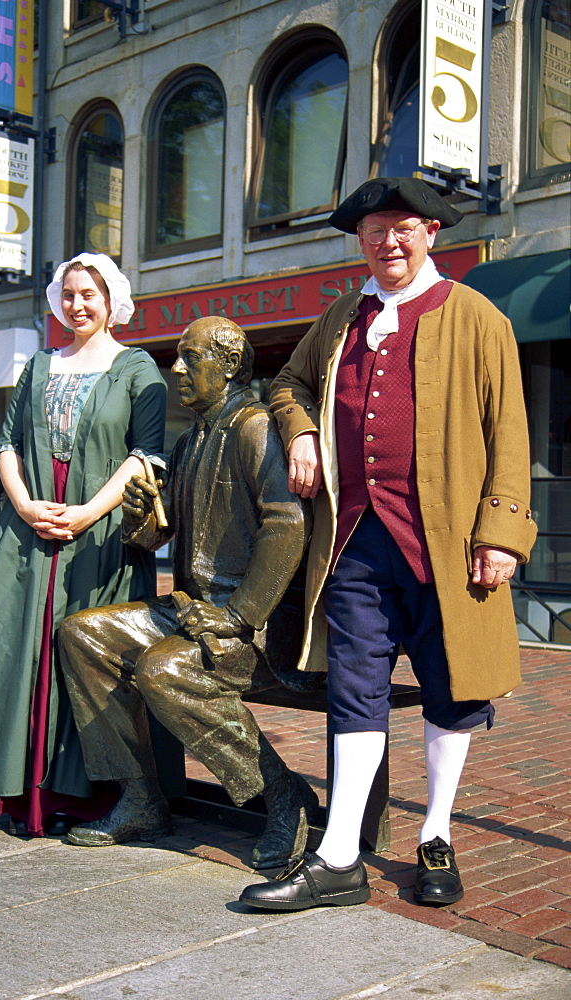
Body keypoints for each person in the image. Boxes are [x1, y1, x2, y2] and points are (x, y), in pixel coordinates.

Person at [239, 177, 537, 912]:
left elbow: (509, 432)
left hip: (450, 544)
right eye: (374, 231)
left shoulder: (475, 315)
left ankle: (434, 834)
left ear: (432, 233)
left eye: (403, 228)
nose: (387, 242)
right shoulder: (344, 313)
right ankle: (339, 855)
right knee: (353, 694)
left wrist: (500, 532)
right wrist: (300, 430)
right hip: (353, 546)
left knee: (451, 691)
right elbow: (286, 381)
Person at [57, 316, 317, 870]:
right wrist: (143, 518)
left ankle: (282, 793)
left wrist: (240, 614)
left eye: (189, 357)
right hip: (191, 611)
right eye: (178, 356)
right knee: (82, 635)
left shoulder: (255, 428)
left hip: (255, 626)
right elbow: (162, 531)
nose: (176, 368)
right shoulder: (192, 438)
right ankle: (141, 799)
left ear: (226, 367)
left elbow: (287, 522)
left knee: (164, 670)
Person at [0, 253, 167, 838]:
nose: (78, 305)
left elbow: (145, 456)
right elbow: (5, 443)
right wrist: (25, 505)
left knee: (86, 656)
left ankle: (87, 794)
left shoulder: (138, 369)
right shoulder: (38, 365)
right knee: (16, 652)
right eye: (70, 294)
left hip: (98, 536)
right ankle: (19, 790)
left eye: (90, 294)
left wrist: (84, 513)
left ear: (111, 300)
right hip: (27, 532)